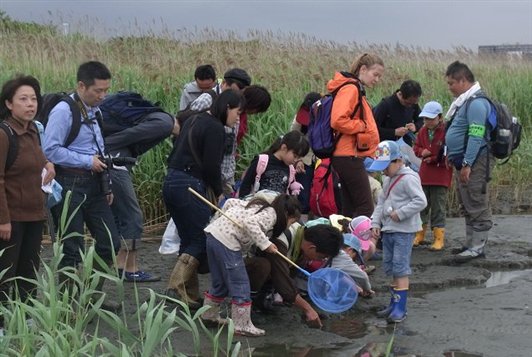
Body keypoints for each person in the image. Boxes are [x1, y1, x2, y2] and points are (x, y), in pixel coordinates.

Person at [42, 61, 121, 310]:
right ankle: (68, 304)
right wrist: (87, 161)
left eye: (106, 90)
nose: (103, 95)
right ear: (81, 85)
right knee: (71, 248)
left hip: (94, 185)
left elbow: (97, 147)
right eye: (98, 90)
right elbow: (51, 149)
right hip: (69, 183)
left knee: (111, 242)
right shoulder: (64, 110)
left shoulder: (94, 109)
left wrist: (105, 184)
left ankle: (88, 296)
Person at [163, 90, 245, 308]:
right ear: (227, 107)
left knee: (189, 239)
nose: (238, 118)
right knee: (200, 238)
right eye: (238, 112)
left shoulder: (194, 119)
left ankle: (188, 295)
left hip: (172, 181)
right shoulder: (216, 128)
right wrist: (219, 191)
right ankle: (174, 287)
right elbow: (211, 165)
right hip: (191, 185)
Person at [0, 75, 55, 335]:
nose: (30, 104)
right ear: (9, 104)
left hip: (35, 213)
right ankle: (1, 324)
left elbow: (39, 158)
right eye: (23, 99)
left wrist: (49, 165)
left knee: (29, 268)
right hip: (11, 218)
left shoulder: (32, 129)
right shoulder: (4, 133)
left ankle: (28, 318)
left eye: (33, 99)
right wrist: (3, 219)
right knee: (5, 272)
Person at [202, 193, 300, 336]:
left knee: (220, 283)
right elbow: (249, 224)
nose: (289, 225)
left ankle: (208, 316)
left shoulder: (258, 206)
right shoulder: (271, 214)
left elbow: (230, 202)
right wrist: (266, 244)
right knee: (240, 284)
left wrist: (217, 221)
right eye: (291, 221)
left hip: (213, 236)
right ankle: (241, 325)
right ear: (286, 213)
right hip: (227, 241)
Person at [104, 108, 178, 282]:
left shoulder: (157, 117)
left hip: (112, 162)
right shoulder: (165, 124)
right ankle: (131, 268)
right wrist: (104, 147)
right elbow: (131, 134)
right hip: (115, 164)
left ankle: (120, 264)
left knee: (120, 216)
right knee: (133, 217)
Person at [369, 140, 427, 323]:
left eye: (386, 167)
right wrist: (375, 223)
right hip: (389, 229)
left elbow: (421, 201)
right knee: (392, 267)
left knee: (401, 268)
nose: (383, 171)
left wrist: (400, 214)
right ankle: (393, 304)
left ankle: (400, 309)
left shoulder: (409, 178)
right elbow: (381, 203)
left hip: (403, 229)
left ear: (398, 161)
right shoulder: (387, 179)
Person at [248, 222, 343, 328]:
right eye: (321, 256)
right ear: (312, 247)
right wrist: (307, 308)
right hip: (240, 265)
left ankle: (265, 298)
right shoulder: (281, 240)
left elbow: (289, 277)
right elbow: (282, 280)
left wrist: (302, 307)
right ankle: (250, 304)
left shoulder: (302, 236)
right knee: (262, 266)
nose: (320, 260)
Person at [444, 61, 493, 261]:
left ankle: (477, 247)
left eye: (451, 83)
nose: (449, 88)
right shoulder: (465, 102)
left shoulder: (477, 103)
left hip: (476, 161)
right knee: (467, 201)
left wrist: (467, 164)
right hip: (463, 161)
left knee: (476, 200)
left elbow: (476, 136)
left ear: (463, 80)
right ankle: (470, 243)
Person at [329, 53, 384, 218]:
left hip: (347, 155)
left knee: (350, 208)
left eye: (379, 76)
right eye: (375, 75)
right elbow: (338, 120)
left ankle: (347, 243)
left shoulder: (353, 88)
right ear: (363, 69)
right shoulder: (351, 89)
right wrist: (362, 126)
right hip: (348, 155)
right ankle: (360, 243)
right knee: (365, 208)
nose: (377, 79)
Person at [413, 101, 453, 251]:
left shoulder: (447, 131)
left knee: (438, 207)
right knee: (421, 205)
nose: (427, 121)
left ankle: (438, 238)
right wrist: (421, 152)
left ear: (440, 117)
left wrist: (433, 157)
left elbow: (448, 151)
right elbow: (416, 147)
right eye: (425, 118)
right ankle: (420, 235)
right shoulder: (423, 131)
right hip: (424, 174)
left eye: (431, 118)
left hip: (440, 175)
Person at [238, 130, 309, 198]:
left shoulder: (290, 169)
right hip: (258, 206)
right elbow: (245, 185)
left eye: (299, 158)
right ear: (284, 148)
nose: (295, 160)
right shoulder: (262, 161)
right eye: (295, 156)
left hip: (278, 208)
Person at [290, 92, 322, 221]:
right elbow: (293, 140)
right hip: (305, 160)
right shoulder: (299, 118)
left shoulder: (328, 118)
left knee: (321, 195)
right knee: (304, 196)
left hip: (322, 162)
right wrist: (298, 160)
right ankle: (301, 224)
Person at [373, 79, 423, 146]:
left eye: (414, 103)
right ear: (400, 95)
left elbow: (421, 119)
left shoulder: (412, 102)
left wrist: (415, 126)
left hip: (405, 146)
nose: (410, 106)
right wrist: (394, 132)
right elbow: (372, 129)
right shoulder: (385, 105)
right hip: (385, 146)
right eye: (408, 103)